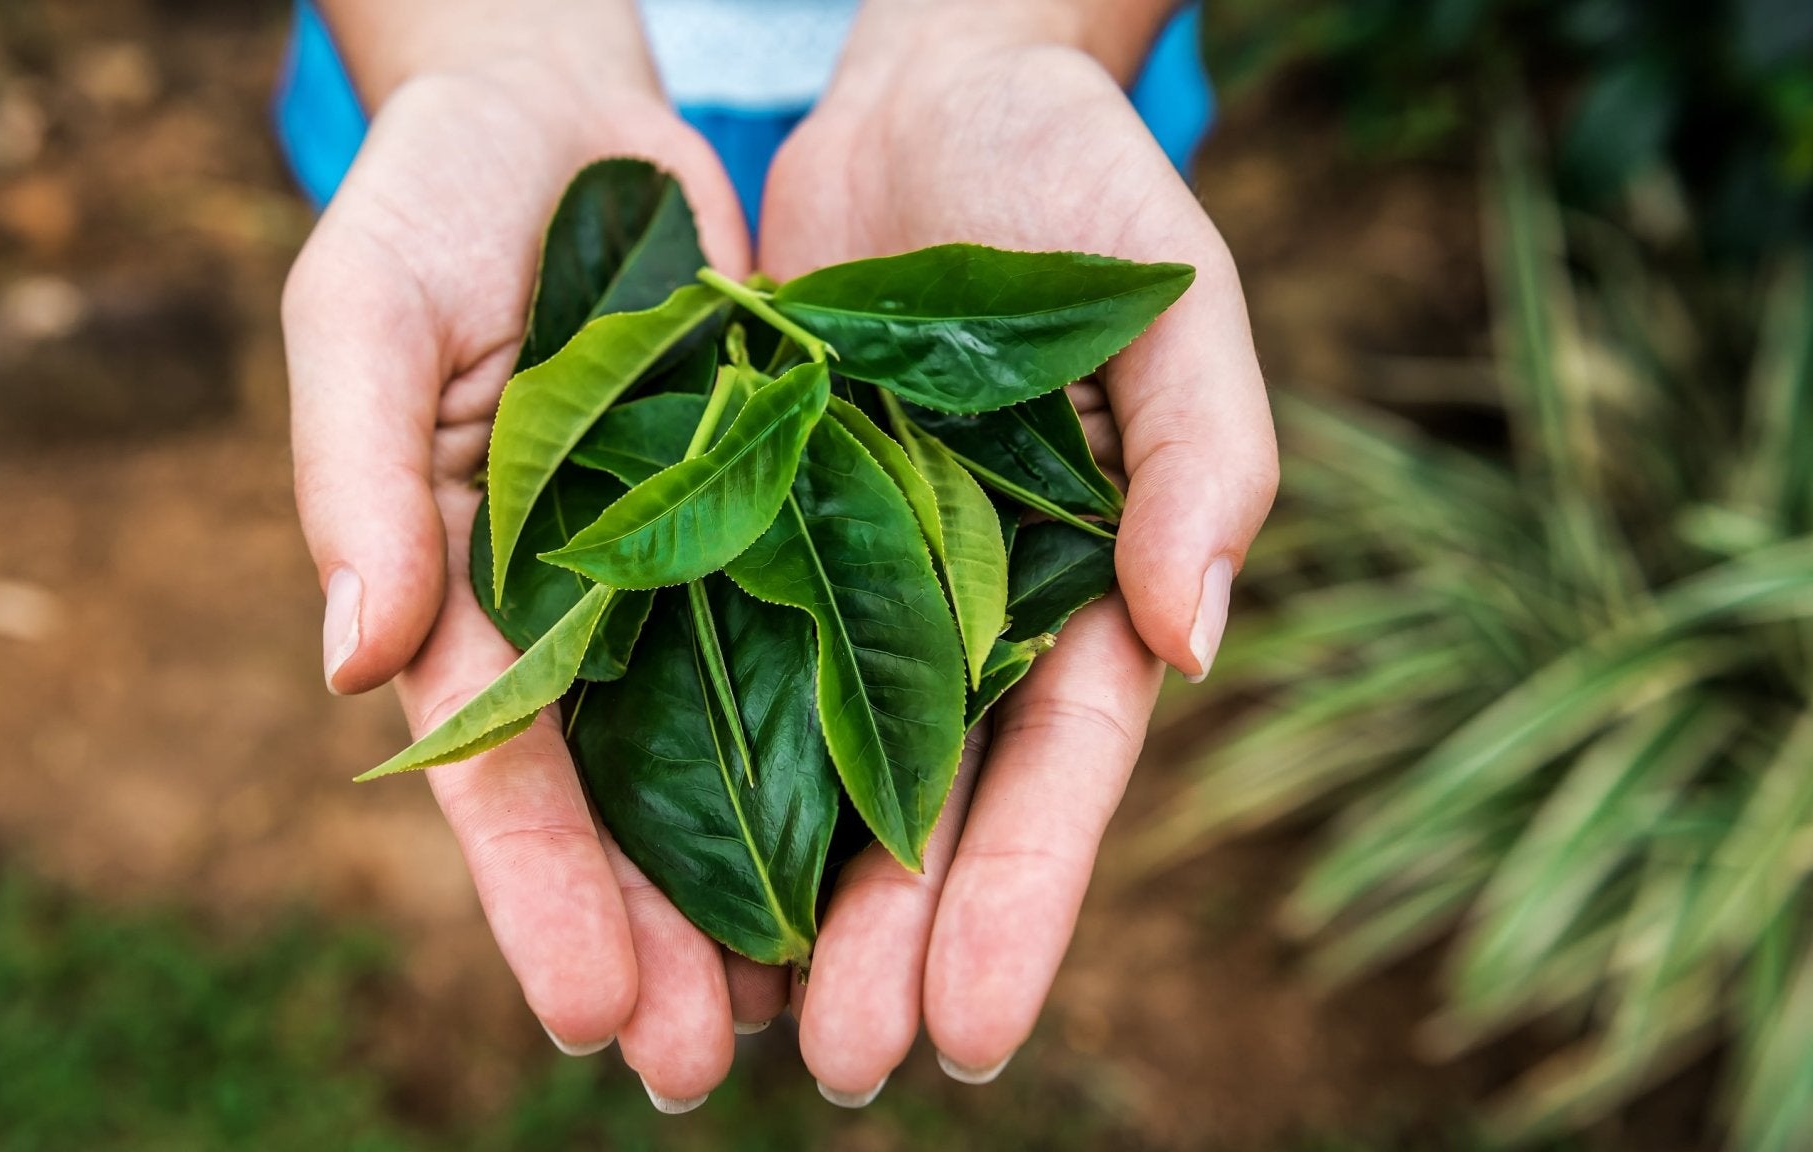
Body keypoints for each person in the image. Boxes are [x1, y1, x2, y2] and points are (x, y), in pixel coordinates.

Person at [278, 0, 1277, 1115]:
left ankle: (783, 938)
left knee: (829, 760)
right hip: (510, 96)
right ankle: (773, 943)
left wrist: (1010, 35)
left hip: (952, 142)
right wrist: (477, 51)